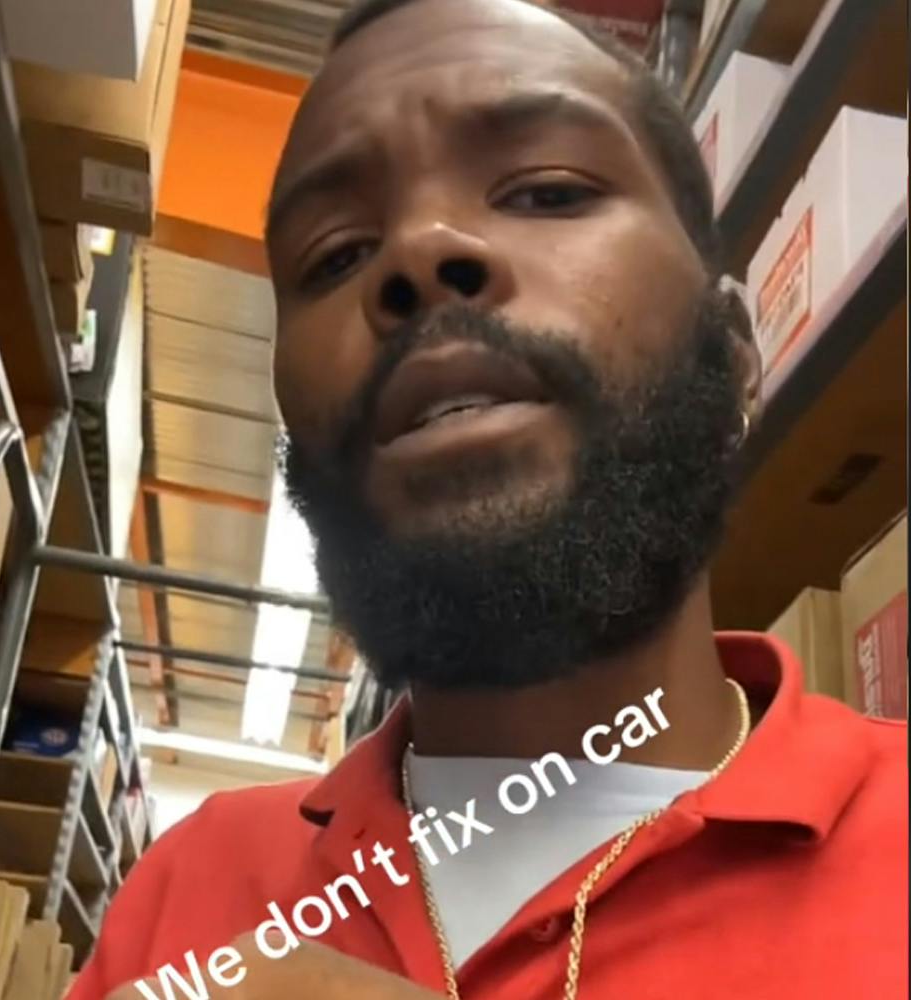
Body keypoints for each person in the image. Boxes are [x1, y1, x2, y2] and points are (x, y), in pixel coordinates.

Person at [68, 0, 908, 997]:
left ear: (731, 360)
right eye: (332, 256)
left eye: (546, 190)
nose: (416, 253)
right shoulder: (192, 884)